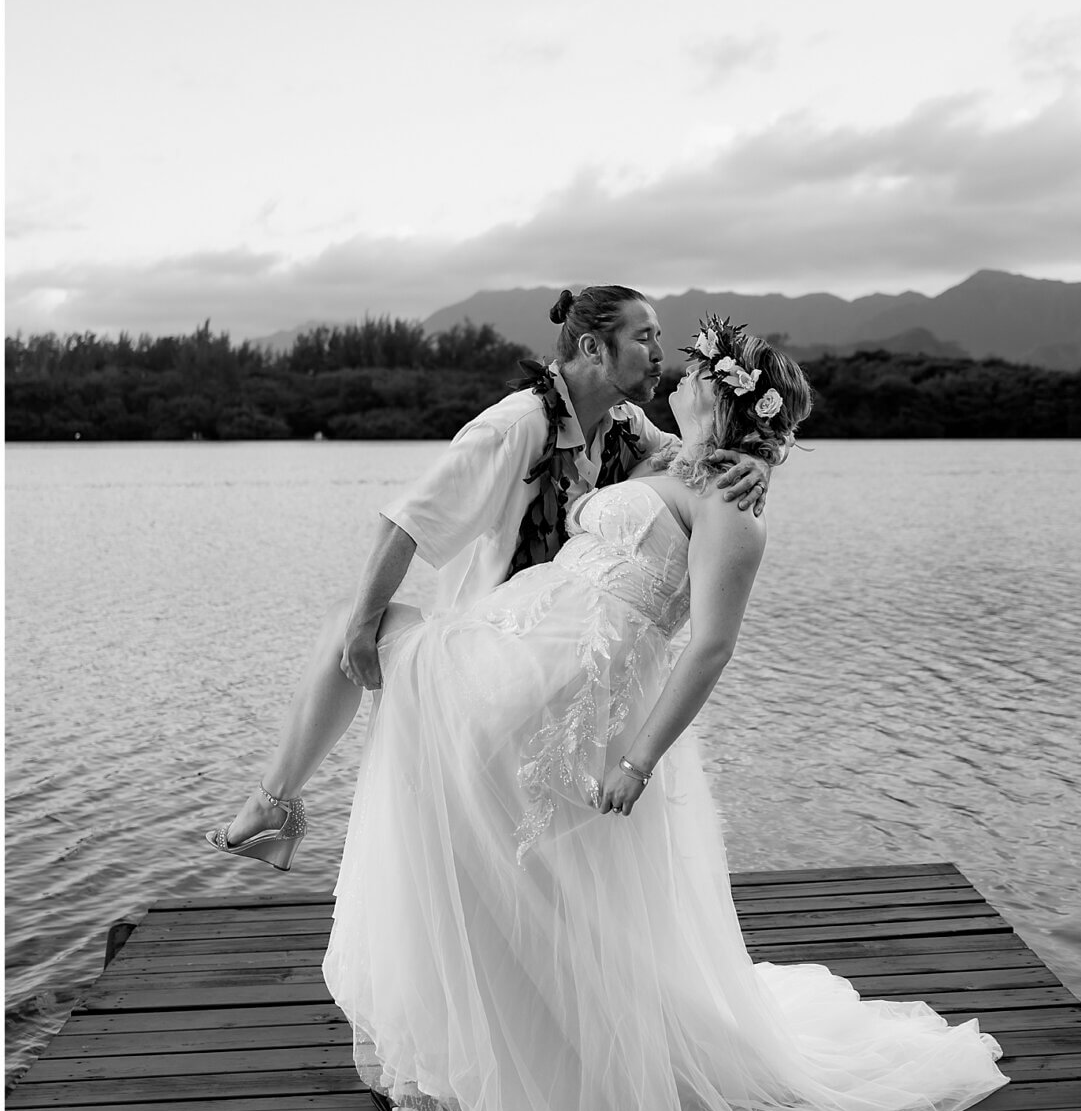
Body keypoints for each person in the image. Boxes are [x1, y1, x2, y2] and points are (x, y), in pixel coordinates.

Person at [321, 316, 1007, 1111]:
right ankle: (454, 1046)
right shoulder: (665, 453)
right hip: (518, 646)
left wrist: (640, 759)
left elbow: (710, 647)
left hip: (582, 690)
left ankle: (503, 1062)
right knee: (473, 830)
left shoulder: (730, 505)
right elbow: (599, 434)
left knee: (511, 849)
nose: (673, 375)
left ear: (722, 396)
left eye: (692, 373)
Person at [206, 287, 770, 866]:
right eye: (644, 337)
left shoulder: (626, 423)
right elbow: (406, 522)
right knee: (346, 632)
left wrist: (755, 458)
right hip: (498, 647)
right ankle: (277, 805)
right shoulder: (516, 427)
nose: (660, 353)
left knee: (511, 855)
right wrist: (360, 630)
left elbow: (703, 462)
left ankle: (274, 805)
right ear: (592, 348)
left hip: (573, 667)